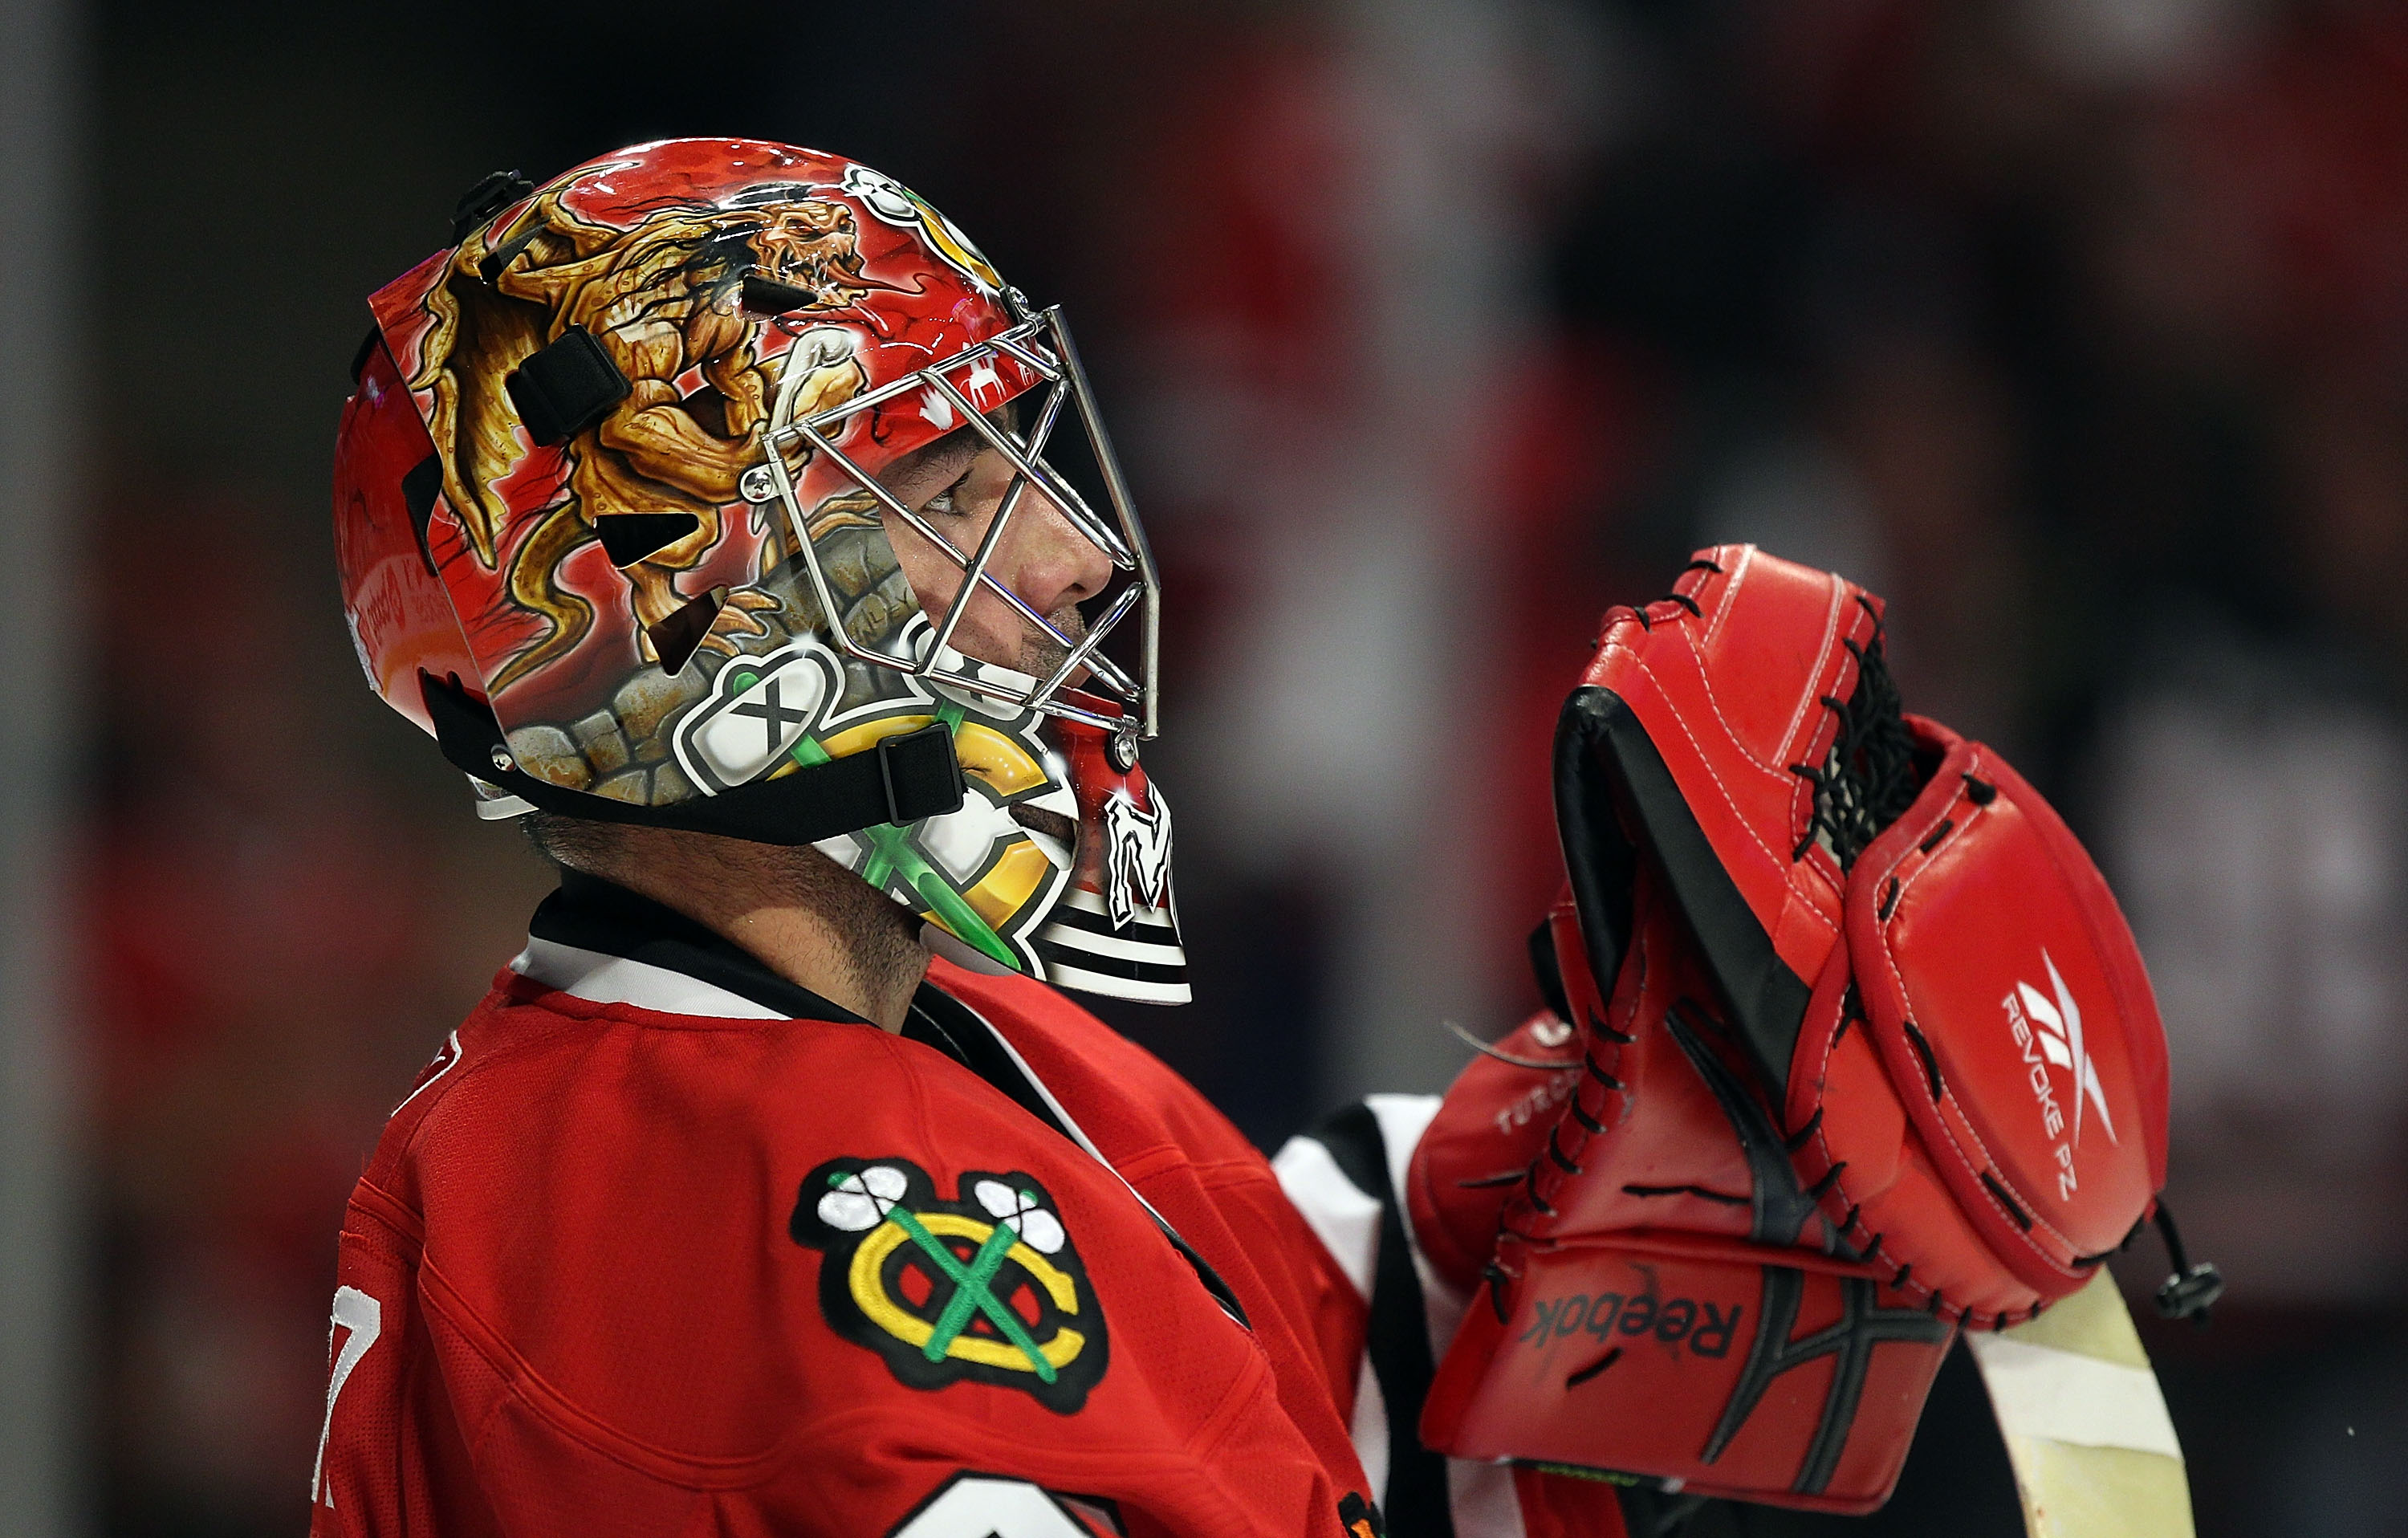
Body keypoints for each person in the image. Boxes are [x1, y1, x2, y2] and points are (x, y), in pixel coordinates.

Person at [319, 139, 2202, 1538]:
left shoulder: (892, 1048)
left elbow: (1248, 1327)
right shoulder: (667, 1232)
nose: (1074, 557)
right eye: (950, 488)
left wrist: (1631, 1137)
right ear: (694, 622)